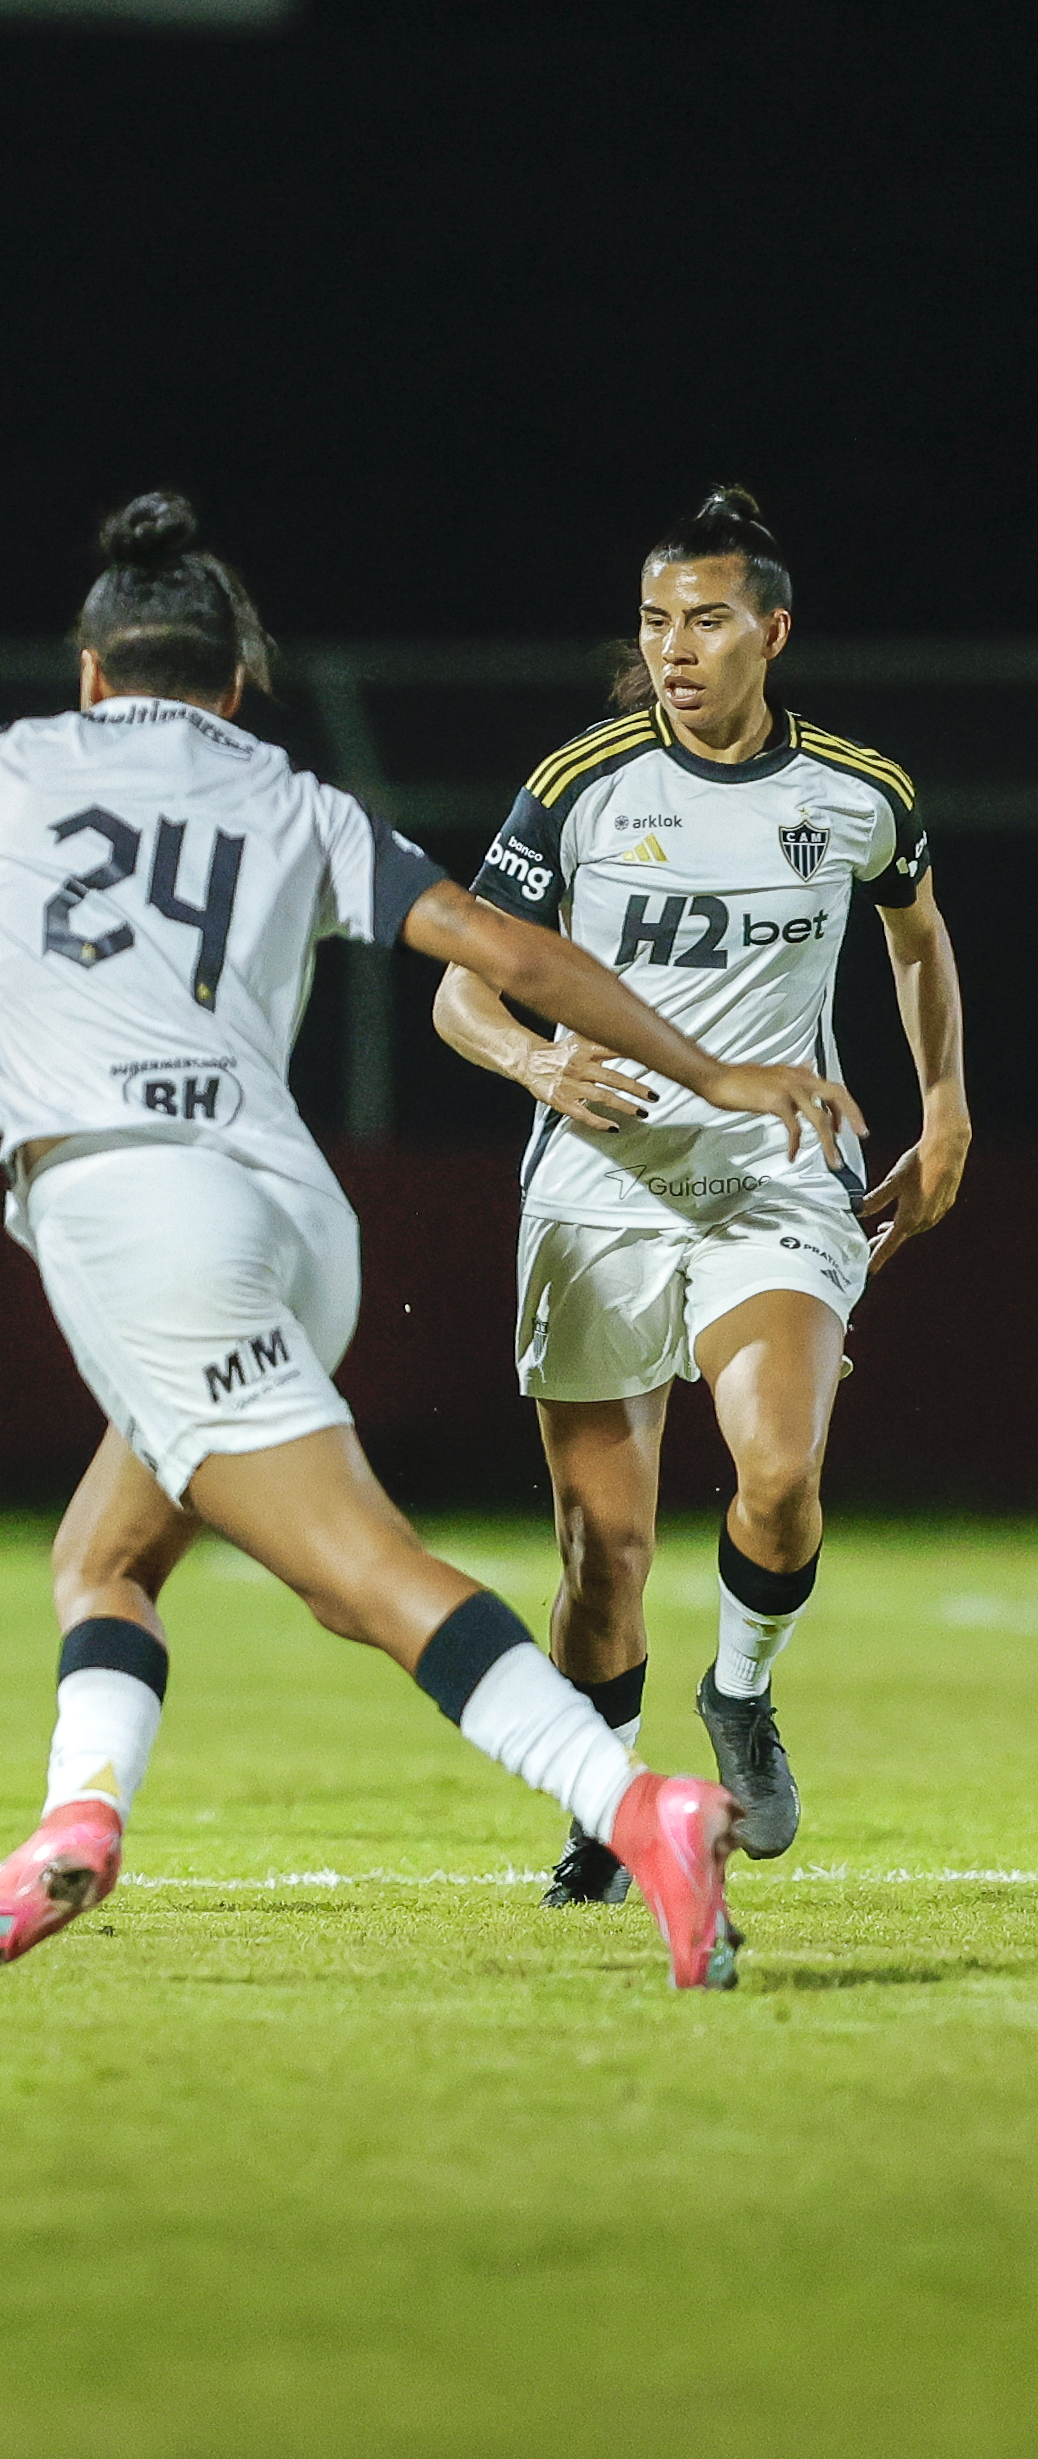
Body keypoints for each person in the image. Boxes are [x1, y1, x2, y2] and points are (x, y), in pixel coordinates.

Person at [0, 492, 868, 1993]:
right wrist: (719, 1070)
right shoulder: (300, 798)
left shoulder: (15, 760)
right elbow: (515, 952)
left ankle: (637, 1803)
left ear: (93, 674)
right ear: (232, 687)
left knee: (360, 1577)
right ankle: (73, 1823)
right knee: (102, 1557)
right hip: (293, 1216)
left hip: (141, 1212)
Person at [433, 486, 968, 1903]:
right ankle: (604, 1817)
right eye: (656, 622)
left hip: (775, 1176)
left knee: (778, 1472)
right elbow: (457, 992)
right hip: (598, 1189)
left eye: (707, 620)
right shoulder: (581, 781)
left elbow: (916, 936)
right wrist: (538, 1064)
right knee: (601, 1552)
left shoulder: (857, 792)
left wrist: (946, 1103)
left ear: (771, 631)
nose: (676, 648)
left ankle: (739, 1697)